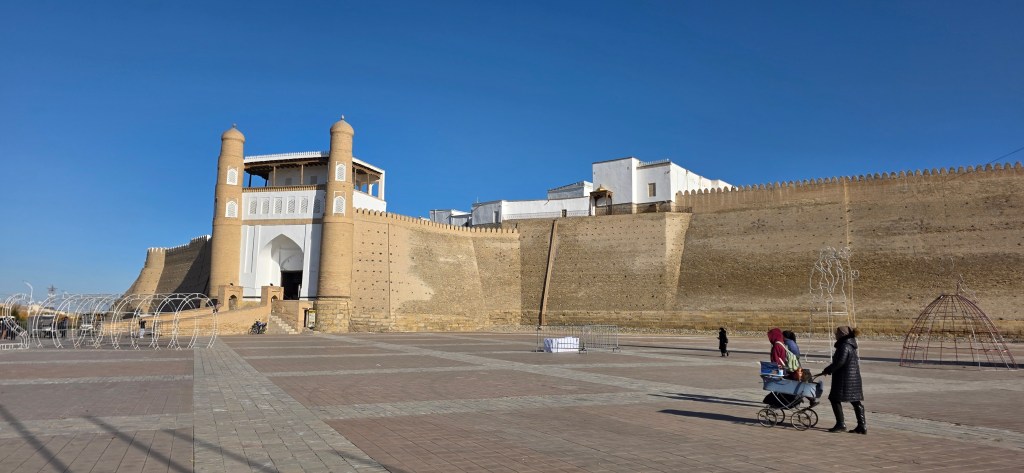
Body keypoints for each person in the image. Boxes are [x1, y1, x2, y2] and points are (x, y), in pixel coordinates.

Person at [820, 326, 866, 434]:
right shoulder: (850, 345)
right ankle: (862, 425)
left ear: (842, 335)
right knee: (855, 401)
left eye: (837, 333)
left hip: (844, 379)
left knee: (834, 398)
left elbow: (840, 362)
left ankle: (840, 424)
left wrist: (828, 369)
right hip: (852, 378)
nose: (835, 335)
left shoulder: (844, 346)